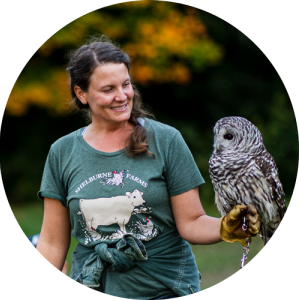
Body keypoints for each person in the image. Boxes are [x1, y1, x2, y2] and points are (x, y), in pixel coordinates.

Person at [36, 36, 260, 299]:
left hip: (165, 288)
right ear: (81, 94)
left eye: (126, 84)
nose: (122, 96)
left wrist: (226, 227)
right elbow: (51, 243)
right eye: (108, 89)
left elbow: (191, 222)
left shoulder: (166, 140)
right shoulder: (62, 152)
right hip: (94, 283)